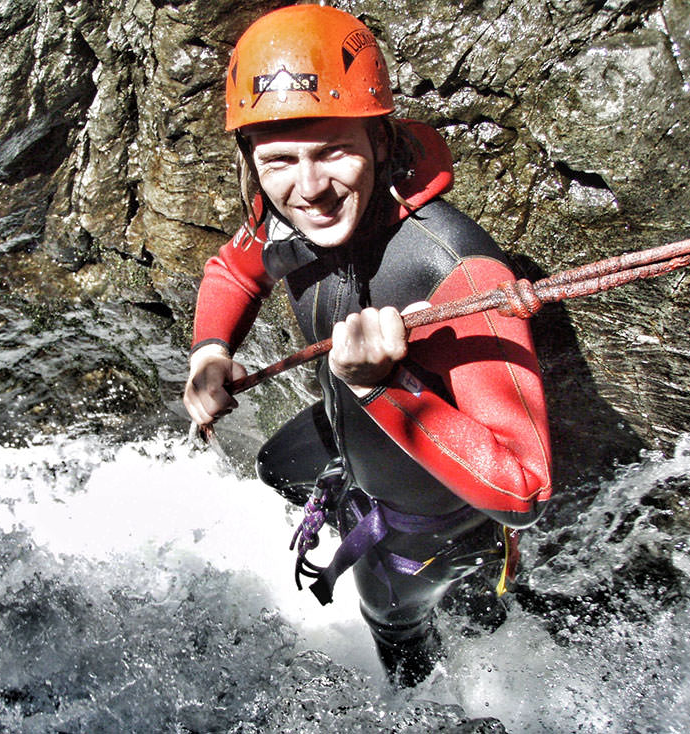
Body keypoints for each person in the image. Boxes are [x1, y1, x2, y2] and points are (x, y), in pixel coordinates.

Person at [183, 4, 552, 686]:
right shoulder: (286, 215)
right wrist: (210, 353)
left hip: (437, 513)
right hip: (354, 431)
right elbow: (233, 269)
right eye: (280, 162)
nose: (311, 187)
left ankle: (431, 705)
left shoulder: (453, 270)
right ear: (253, 164)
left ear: (381, 142)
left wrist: (382, 389)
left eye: (334, 151)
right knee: (273, 467)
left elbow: (523, 489)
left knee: (391, 611)